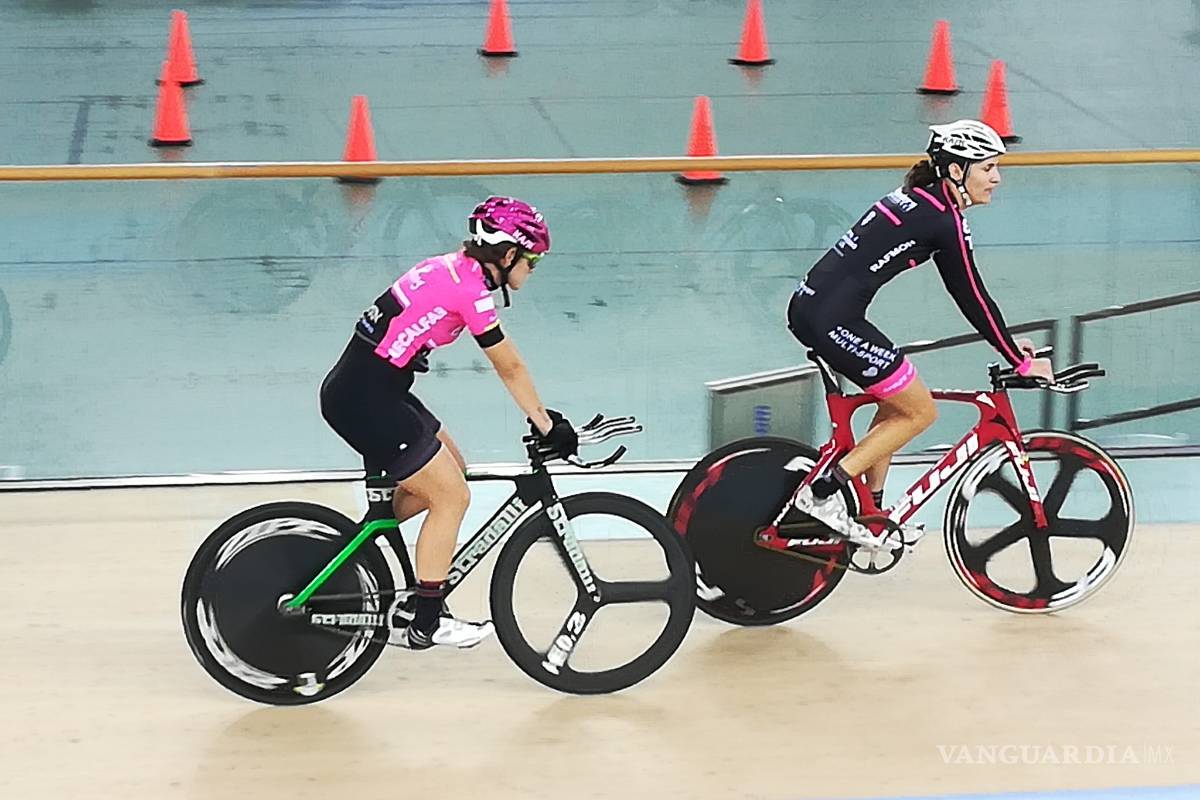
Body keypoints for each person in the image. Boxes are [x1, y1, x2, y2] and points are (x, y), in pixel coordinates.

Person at [319, 196, 579, 649]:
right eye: (533, 260)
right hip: (368, 398)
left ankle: (363, 549)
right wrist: (544, 422)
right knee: (452, 497)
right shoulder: (471, 292)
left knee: (453, 467)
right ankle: (426, 620)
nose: (534, 269)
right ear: (509, 254)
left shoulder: (450, 267)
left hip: (370, 389)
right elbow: (509, 366)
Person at [786, 119, 1053, 548]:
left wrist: (1008, 342)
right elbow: (973, 297)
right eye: (988, 168)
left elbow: (974, 298)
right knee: (920, 412)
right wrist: (1019, 360)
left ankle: (872, 516)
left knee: (896, 405)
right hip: (832, 319)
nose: (997, 178)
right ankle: (822, 495)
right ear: (955, 171)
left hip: (818, 308)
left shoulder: (921, 200)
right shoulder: (943, 221)